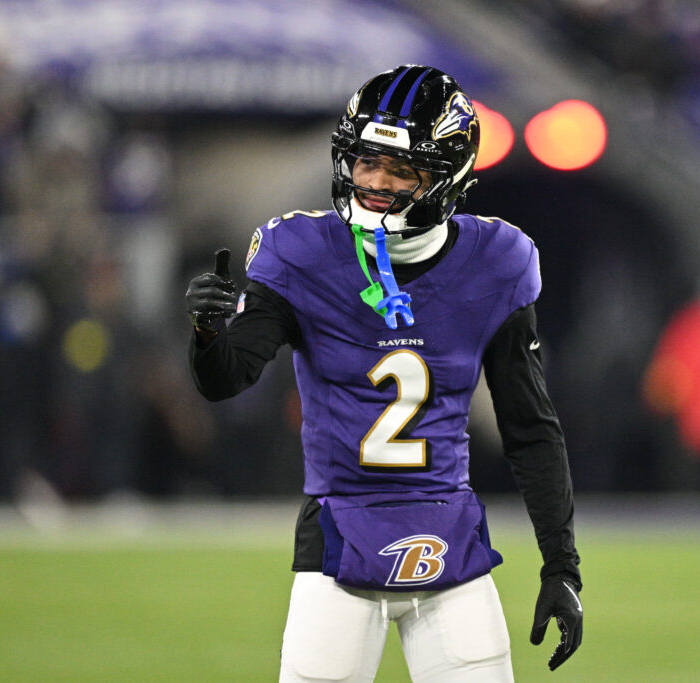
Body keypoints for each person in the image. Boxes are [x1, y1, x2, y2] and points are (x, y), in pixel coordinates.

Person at [185, 64, 582, 681]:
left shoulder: (495, 263)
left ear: (447, 178)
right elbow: (225, 379)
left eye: (401, 169)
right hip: (339, 538)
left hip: (449, 542)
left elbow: (531, 427)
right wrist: (209, 334)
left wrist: (562, 565)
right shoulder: (303, 252)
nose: (374, 182)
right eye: (366, 161)